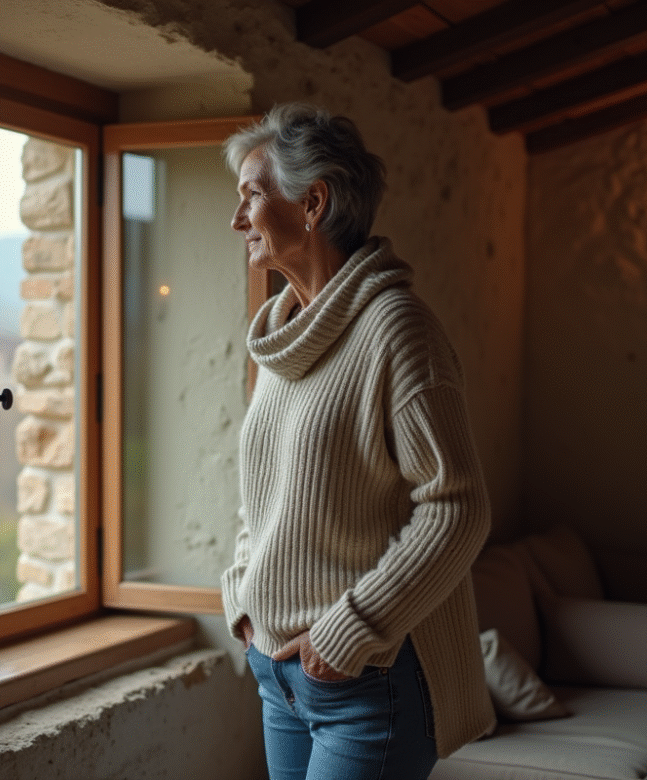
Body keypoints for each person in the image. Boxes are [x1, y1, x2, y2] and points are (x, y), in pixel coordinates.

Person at [220, 104, 495, 780]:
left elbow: (458, 509)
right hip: (277, 676)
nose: (235, 221)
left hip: (367, 682)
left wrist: (353, 628)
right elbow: (263, 499)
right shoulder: (281, 338)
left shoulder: (398, 331)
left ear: (313, 202)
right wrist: (243, 598)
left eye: (250, 196)